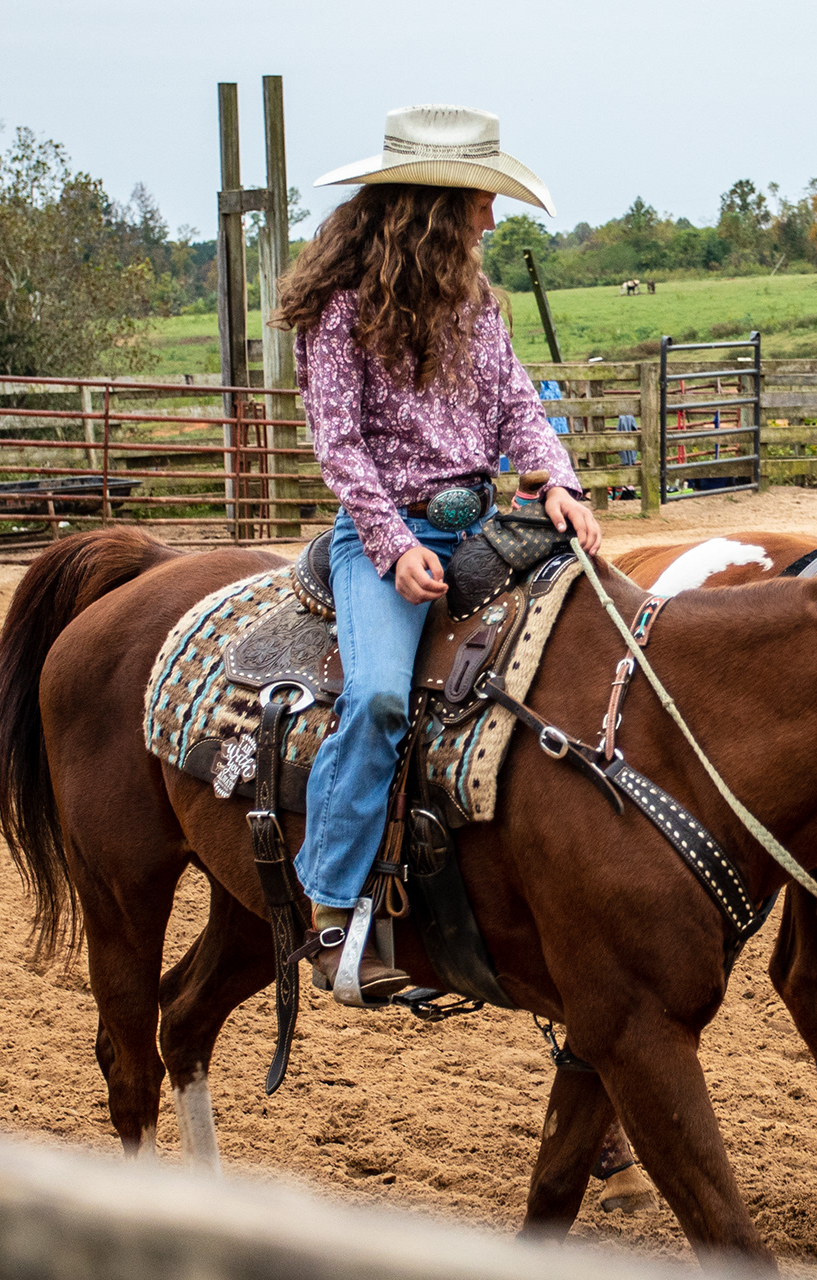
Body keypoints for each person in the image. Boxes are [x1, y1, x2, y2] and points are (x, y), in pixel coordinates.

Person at [271, 105, 601, 1004]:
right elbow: (340, 449)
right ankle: (333, 902)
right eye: (479, 204)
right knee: (380, 696)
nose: (492, 221)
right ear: (433, 211)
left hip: (486, 525)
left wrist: (559, 481)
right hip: (388, 531)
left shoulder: (479, 308)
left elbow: (520, 412)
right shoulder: (337, 315)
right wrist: (391, 547)